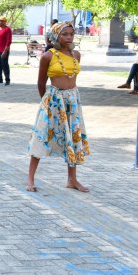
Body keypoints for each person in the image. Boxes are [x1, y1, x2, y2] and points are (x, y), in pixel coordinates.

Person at [26, 22, 90, 193]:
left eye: (71, 34)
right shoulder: (48, 56)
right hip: (54, 100)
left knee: (73, 137)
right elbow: (41, 83)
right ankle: (30, 178)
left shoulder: (76, 54)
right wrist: (47, 102)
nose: (69, 37)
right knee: (41, 136)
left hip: (73, 100)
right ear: (56, 36)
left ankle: (72, 179)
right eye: (64, 34)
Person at [0, 15, 12, 85]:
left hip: (4, 50)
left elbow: (8, 41)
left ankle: (7, 79)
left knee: (4, 64)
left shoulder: (7, 29)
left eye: (0, 21)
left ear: (4, 22)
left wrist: (5, 51)